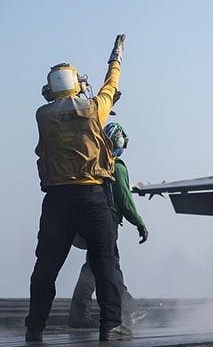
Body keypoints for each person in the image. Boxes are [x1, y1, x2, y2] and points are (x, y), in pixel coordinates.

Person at [26, 34, 133, 342]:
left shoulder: (42, 115)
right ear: (76, 84)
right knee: (105, 264)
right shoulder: (94, 109)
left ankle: (34, 327)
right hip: (92, 198)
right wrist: (117, 57)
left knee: (46, 267)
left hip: (57, 201)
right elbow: (110, 85)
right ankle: (111, 325)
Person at [68, 122, 149, 328]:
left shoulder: (92, 162)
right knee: (102, 267)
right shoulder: (116, 166)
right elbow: (124, 199)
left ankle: (125, 309)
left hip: (87, 219)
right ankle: (119, 311)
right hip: (107, 222)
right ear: (117, 141)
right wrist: (140, 223)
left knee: (106, 265)